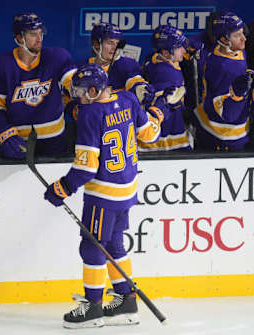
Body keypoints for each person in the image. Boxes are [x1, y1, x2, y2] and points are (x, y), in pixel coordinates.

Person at [43, 63, 165, 328]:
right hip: (127, 189)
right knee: (113, 244)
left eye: (82, 91)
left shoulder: (90, 114)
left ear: (96, 90)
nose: (78, 96)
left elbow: (86, 168)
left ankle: (93, 308)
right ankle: (126, 301)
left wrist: (62, 187)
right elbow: (151, 134)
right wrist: (158, 112)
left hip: (103, 195)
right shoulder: (129, 98)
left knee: (92, 246)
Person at [0, 12, 76, 159]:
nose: (39, 39)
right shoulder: (1, 63)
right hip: (19, 141)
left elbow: (73, 82)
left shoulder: (56, 57)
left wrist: (80, 85)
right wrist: (5, 134)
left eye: (40, 34)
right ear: (19, 38)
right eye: (33, 34)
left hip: (55, 141)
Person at [193, 12, 254, 151]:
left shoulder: (232, 48)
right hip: (221, 134)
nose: (244, 38)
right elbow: (227, 114)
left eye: (242, 32)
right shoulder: (221, 68)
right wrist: (238, 94)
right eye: (237, 35)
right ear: (224, 39)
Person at [141, 24, 192, 151]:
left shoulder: (153, 58)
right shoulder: (166, 74)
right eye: (179, 47)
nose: (183, 50)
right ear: (165, 52)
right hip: (166, 138)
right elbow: (166, 108)